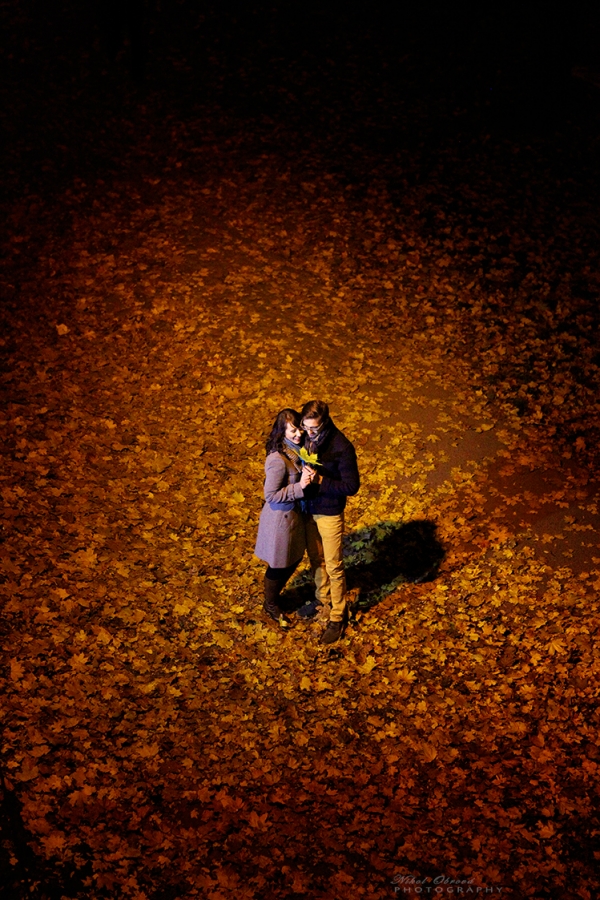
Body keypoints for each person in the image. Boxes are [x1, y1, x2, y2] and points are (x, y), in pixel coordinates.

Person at [299, 399, 360, 644]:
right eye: (305, 427)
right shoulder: (305, 438)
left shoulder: (341, 447)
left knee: (334, 565)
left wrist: (321, 481)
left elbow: (351, 486)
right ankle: (322, 600)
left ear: (325, 422)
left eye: (314, 428)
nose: (309, 432)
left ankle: (338, 615)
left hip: (329, 511)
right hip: (308, 507)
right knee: (316, 559)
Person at [254, 409, 315, 626]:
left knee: (293, 558)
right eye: (292, 431)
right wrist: (300, 487)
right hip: (281, 520)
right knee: (280, 564)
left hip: (295, 517)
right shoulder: (277, 459)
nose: (298, 434)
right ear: (282, 432)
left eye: (300, 429)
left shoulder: (298, 450)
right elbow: (270, 495)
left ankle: (273, 598)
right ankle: (270, 603)